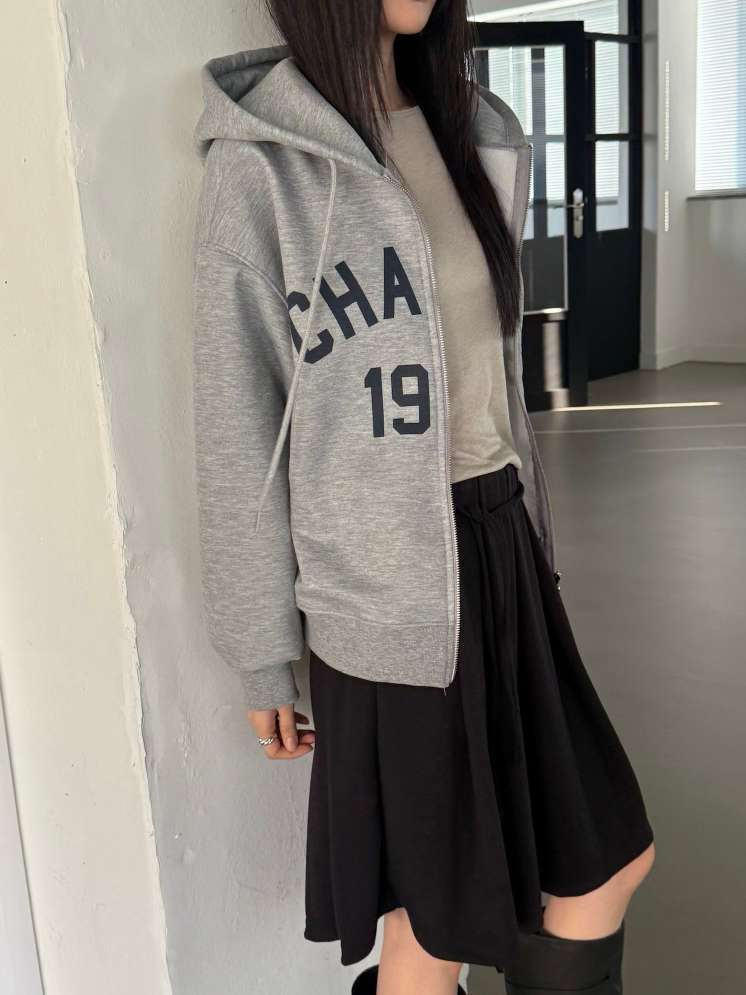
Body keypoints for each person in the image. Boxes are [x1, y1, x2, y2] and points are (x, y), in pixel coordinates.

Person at [190, 2, 656, 992]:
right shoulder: (261, 166)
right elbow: (237, 426)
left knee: (600, 862)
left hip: (500, 546)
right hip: (383, 597)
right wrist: (260, 651)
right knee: (431, 929)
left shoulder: (472, 127)